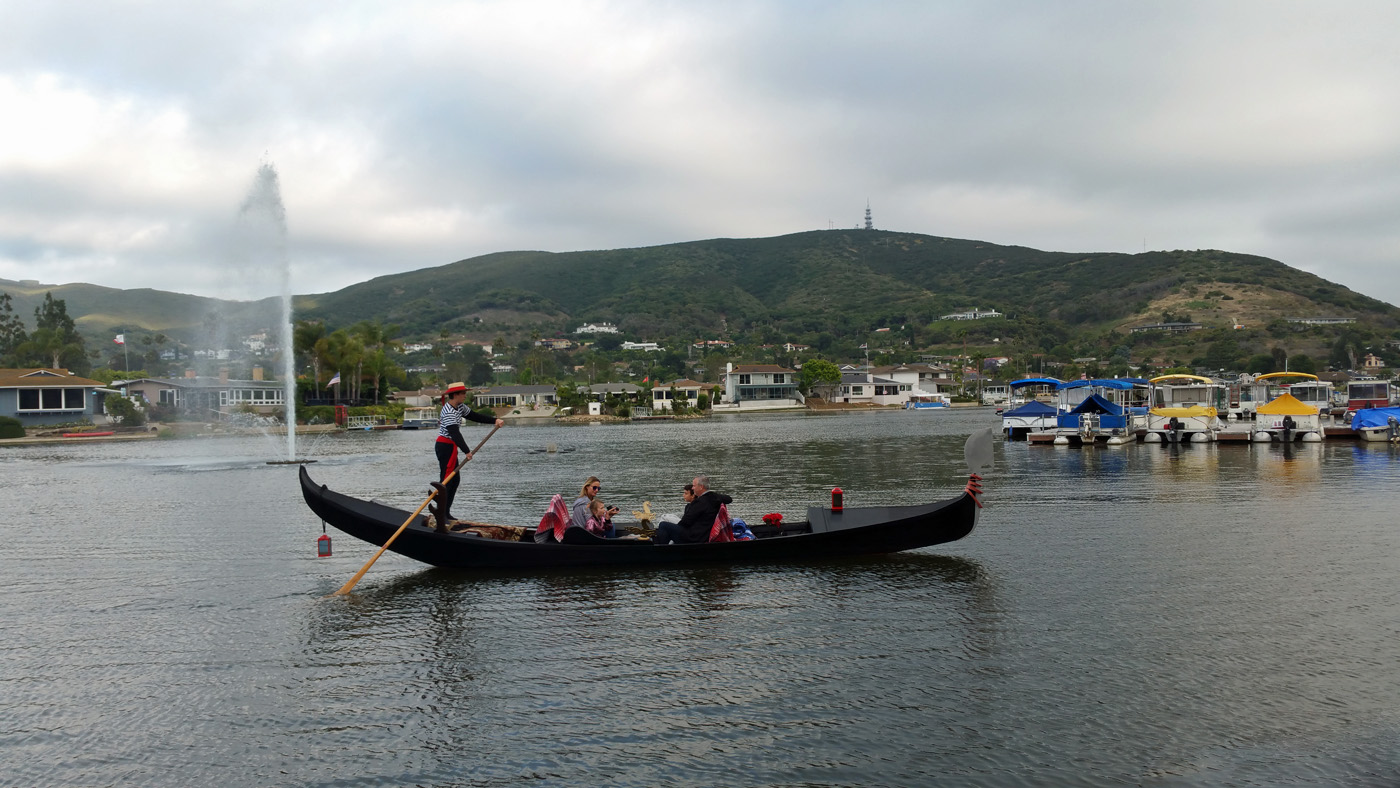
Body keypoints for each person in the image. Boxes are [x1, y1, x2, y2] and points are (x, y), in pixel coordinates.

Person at [430, 382, 505, 531]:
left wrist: (494, 420)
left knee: (455, 480)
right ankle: (441, 514)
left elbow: (474, 416)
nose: (465, 395)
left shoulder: (460, 407)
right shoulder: (448, 411)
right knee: (447, 480)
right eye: (463, 393)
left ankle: (446, 512)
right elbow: (454, 433)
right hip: (445, 447)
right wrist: (466, 451)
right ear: (456, 395)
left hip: (451, 446)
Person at [653, 475, 732, 545]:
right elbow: (729, 499)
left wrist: (675, 528)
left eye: (694, 486)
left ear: (701, 487)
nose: (692, 488)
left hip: (694, 538)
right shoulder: (715, 497)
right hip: (703, 534)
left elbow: (685, 522)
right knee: (667, 527)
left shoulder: (699, 502)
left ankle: (660, 549)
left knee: (663, 525)